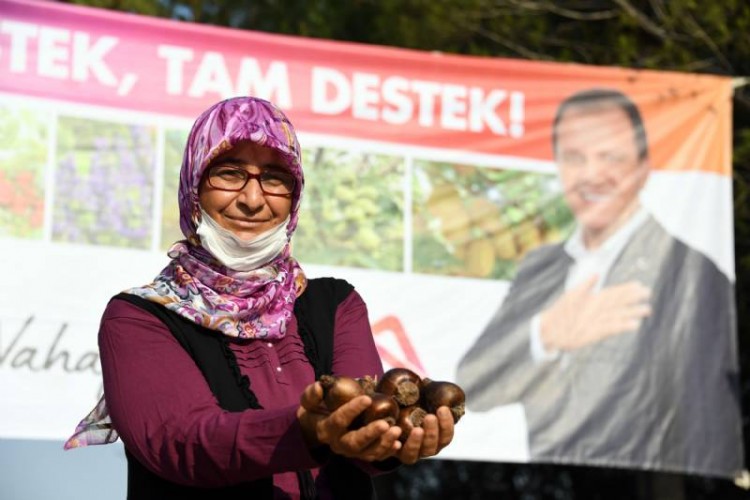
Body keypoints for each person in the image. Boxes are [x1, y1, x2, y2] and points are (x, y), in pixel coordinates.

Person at [65, 96, 455, 499]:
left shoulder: (335, 304)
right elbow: (179, 441)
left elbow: (363, 427)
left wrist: (393, 436)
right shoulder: (139, 318)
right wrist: (304, 429)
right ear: (193, 186)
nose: (253, 200)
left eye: (274, 178)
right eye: (230, 173)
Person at [456, 88, 743, 477]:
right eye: (575, 158)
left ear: (643, 167)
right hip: (546, 483)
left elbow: (706, 424)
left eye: (610, 157)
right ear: (557, 165)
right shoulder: (541, 266)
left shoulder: (694, 274)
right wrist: (545, 334)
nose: (591, 174)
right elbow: (472, 383)